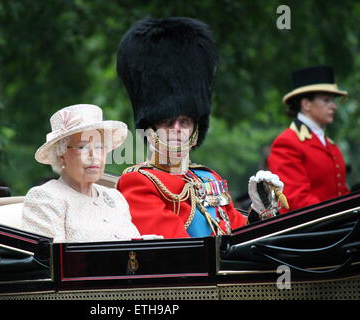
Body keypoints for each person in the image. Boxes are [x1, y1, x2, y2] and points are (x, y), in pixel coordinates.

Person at [116, 17, 285, 239]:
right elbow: (177, 250)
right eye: (167, 122)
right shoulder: (139, 181)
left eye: (184, 122)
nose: (177, 129)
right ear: (151, 127)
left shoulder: (209, 177)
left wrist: (260, 211)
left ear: (196, 128)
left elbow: (239, 233)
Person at [21, 104, 142, 242]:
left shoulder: (115, 198)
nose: (94, 155)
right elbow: (51, 260)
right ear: (61, 154)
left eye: (99, 147)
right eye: (82, 147)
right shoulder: (45, 198)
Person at [267, 65, 350, 212]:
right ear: (306, 104)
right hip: (311, 231)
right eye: (326, 100)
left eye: (333, 100)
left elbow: (341, 193)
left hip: (337, 228)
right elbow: (296, 199)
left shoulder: (331, 146)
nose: (334, 106)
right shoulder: (287, 142)